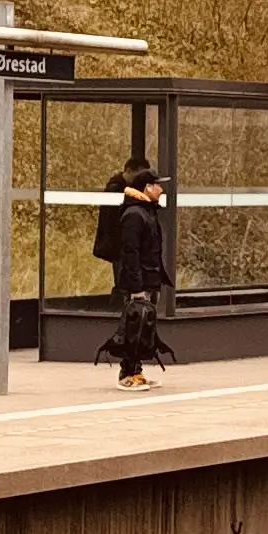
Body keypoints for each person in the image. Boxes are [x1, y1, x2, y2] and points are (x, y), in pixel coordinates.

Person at [100, 163, 173, 389]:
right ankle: (127, 373)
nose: (161, 190)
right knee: (133, 327)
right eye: (157, 186)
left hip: (150, 279)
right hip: (139, 283)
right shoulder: (134, 214)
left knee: (145, 328)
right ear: (147, 187)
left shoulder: (146, 211)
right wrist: (136, 287)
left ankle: (137, 371)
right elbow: (130, 254)